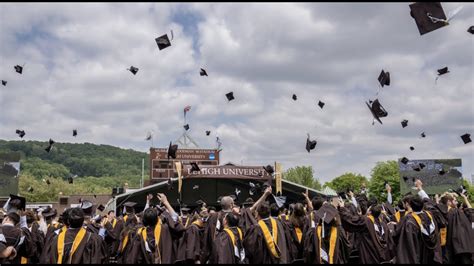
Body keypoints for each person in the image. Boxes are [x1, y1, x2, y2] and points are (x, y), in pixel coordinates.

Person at [124, 193, 184, 264]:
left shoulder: (140, 233)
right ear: (157, 219)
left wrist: (147, 202)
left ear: (144, 221)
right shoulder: (165, 230)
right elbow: (176, 223)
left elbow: (134, 257)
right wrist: (166, 202)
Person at [41, 207, 107, 264]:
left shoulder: (55, 239)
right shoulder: (95, 239)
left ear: (68, 222)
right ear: (83, 221)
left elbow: (47, 259)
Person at [243, 187, 290, 264]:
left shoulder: (255, 228)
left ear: (257, 214)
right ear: (269, 213)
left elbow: (249, 250)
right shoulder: (279, 223)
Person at [394, 192, 442, 264]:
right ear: (423, 205)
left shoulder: (410, 222)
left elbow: (409, 244)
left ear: (409, 205)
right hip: (433, 255)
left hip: (420, 255)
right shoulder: (430, 215)